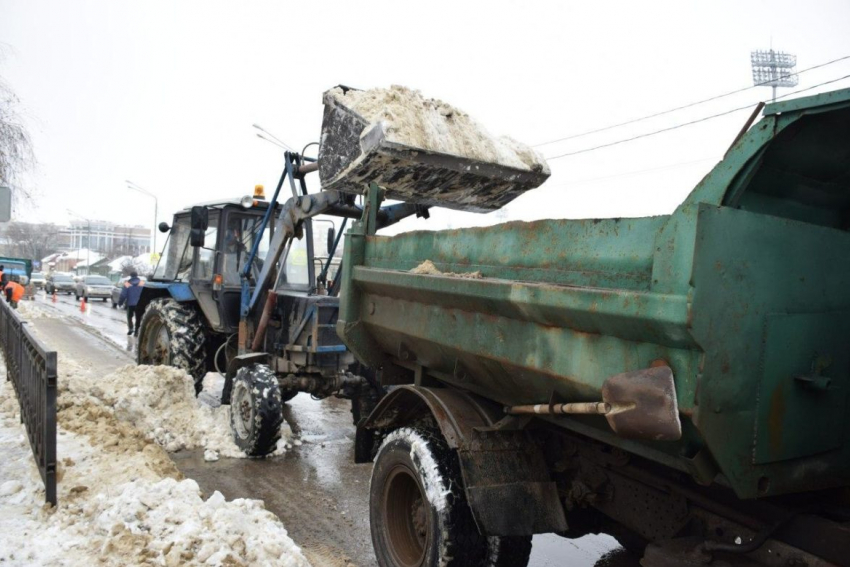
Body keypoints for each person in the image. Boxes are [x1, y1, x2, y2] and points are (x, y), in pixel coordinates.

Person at [118, 272, 144, 336]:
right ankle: (137, 330)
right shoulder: (142, 283)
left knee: (129, 317)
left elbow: (123, 295)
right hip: (140, 304)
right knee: (139, 317)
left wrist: (120, 302)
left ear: (130, 276)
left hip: (130, 304)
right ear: (137, 276)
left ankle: (131, 328)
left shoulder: (127, 284)